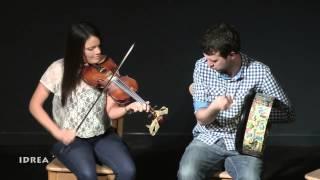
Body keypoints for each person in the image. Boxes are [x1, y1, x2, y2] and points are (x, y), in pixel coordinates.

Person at [29, 21, 150, 180]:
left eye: (99, 46)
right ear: (76, 49)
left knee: (128, 170)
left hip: (102, 136)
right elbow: (34, 105)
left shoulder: (108, 70)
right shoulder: (58, 69)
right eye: (91, 48)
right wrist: (58, 132)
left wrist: (129, 108)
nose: (98, 51)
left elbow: (110, 112)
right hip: (72, 139)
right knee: (88, 175)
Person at [177, 22, 295, 180]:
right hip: (209, 137)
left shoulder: (259, 72)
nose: (208, 64)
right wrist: (215, 107)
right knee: (187, 173)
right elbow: (202, 118)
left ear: (232, 54)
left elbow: (288, 113)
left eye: (214, 60)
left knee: (251, 178)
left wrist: (251, 113)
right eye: (206, 59)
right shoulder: (201, 67)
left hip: (246, 143)